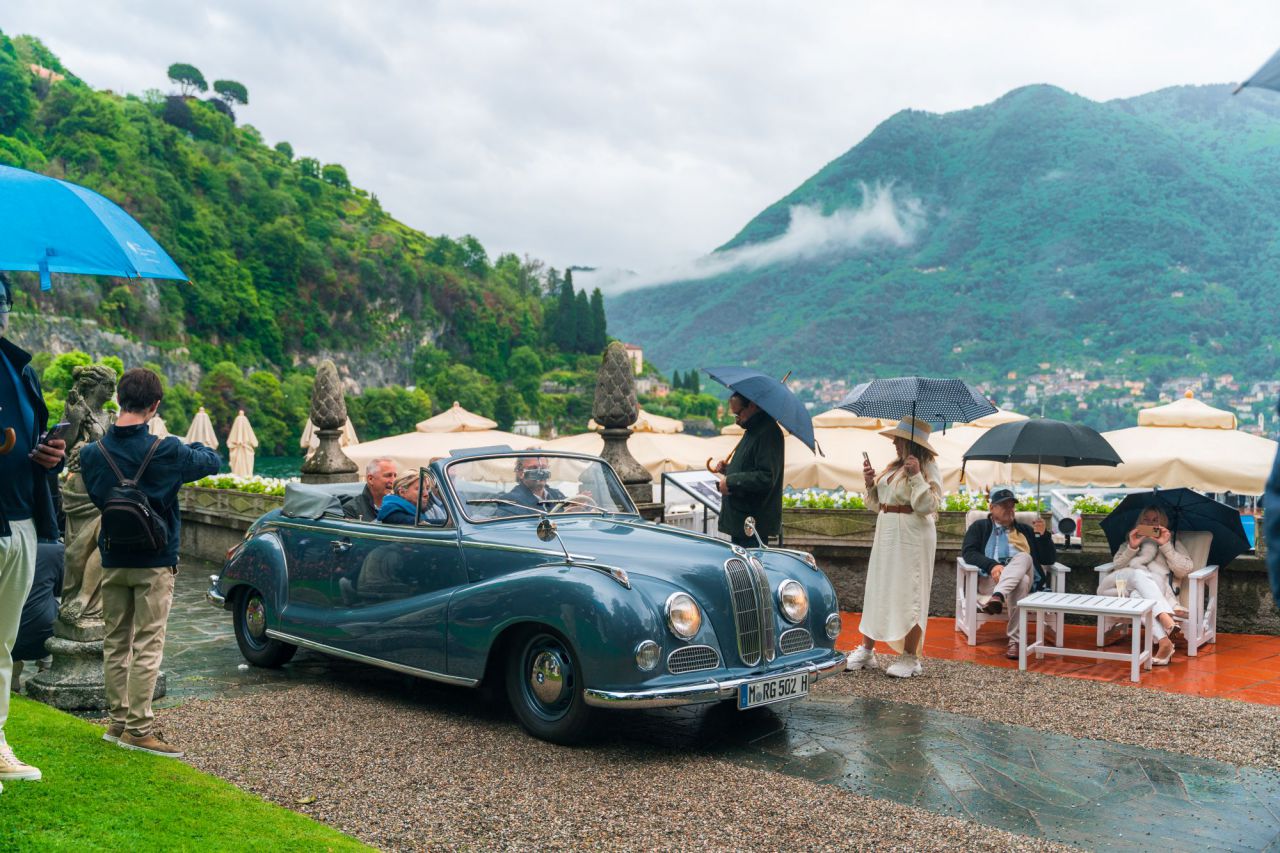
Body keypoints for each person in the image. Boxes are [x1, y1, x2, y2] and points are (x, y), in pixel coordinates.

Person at [79, 367, 220, 757]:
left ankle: (119, 721)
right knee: (147, 643)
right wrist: (183, 443)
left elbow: (97, 499)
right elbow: (212, 461)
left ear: (118, 400)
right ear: (155, 405)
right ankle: (140, 730)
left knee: (115, 641)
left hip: (112, 557)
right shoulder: (166, 450)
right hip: (155, 560)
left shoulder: (93, 454)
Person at [0, 272, 67, 788]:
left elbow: (32, 445)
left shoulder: (19, 368)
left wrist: (50, 455)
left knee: (2, 642)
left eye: (2, 300)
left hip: (21, 519)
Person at [846, 417, 943, 678]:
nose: (894, 443)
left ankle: (910, 657)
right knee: (877, 587)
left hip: (913, 533)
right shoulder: (892, 467)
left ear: (910, 442)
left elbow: (928, 506)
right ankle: (867, 651)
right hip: (886, 530)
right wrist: (870, 483)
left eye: (898, 440)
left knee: (910, 590)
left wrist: (916, 477)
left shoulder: (928, 467)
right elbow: (878, 503)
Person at [960, 487, 1057, 659]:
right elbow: (969, 552)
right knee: (1021, 581)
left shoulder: (1026, 530)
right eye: (1003, 505)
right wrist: (992, 565)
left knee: (1024, 557)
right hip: (991, 578)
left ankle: (998, 596)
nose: (1009, 509)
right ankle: (1015, 641)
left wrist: (1043, 536)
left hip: (1018, 574)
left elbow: (1048, 559)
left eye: (1011, 505)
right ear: (991, 508)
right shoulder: (980, 527)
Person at [1097, 506, 1192, 666]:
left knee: (1137, 596)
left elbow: (1184, 570)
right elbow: (1117, 566)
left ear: (1163, 523)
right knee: (1136, 575)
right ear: (1139, 522)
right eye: (1145, 520)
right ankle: (1166, 619)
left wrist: (1165, 546)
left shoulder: (1171, 541)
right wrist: (1132, 547)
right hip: (1119, 588)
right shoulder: (1130, 540)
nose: (1149, 523)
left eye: (1155, 520)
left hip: (1151, 591)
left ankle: (1164, 642)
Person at [714, 392, 784, 547]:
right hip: (744, 521)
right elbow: (750, 467)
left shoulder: (767, 432)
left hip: (752, 523)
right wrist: (729, 469)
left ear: (752, 406)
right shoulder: (754, 431)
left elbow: (766, 477)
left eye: (738, 413)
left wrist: (730, 481)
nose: (737, 419)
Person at [12, 542, 64, 688]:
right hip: (43, 636)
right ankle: (47, 666)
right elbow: (62, 590)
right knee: (58, 602)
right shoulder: (55, 550)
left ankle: (13, 677)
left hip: (7, 636)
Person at [377, 472, 448, 526]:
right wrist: (448, 522)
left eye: (427, 489)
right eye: (420, 489)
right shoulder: (392, 511)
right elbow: (415, 522)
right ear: (402, 492)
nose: (426, 494)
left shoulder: (417, 509)